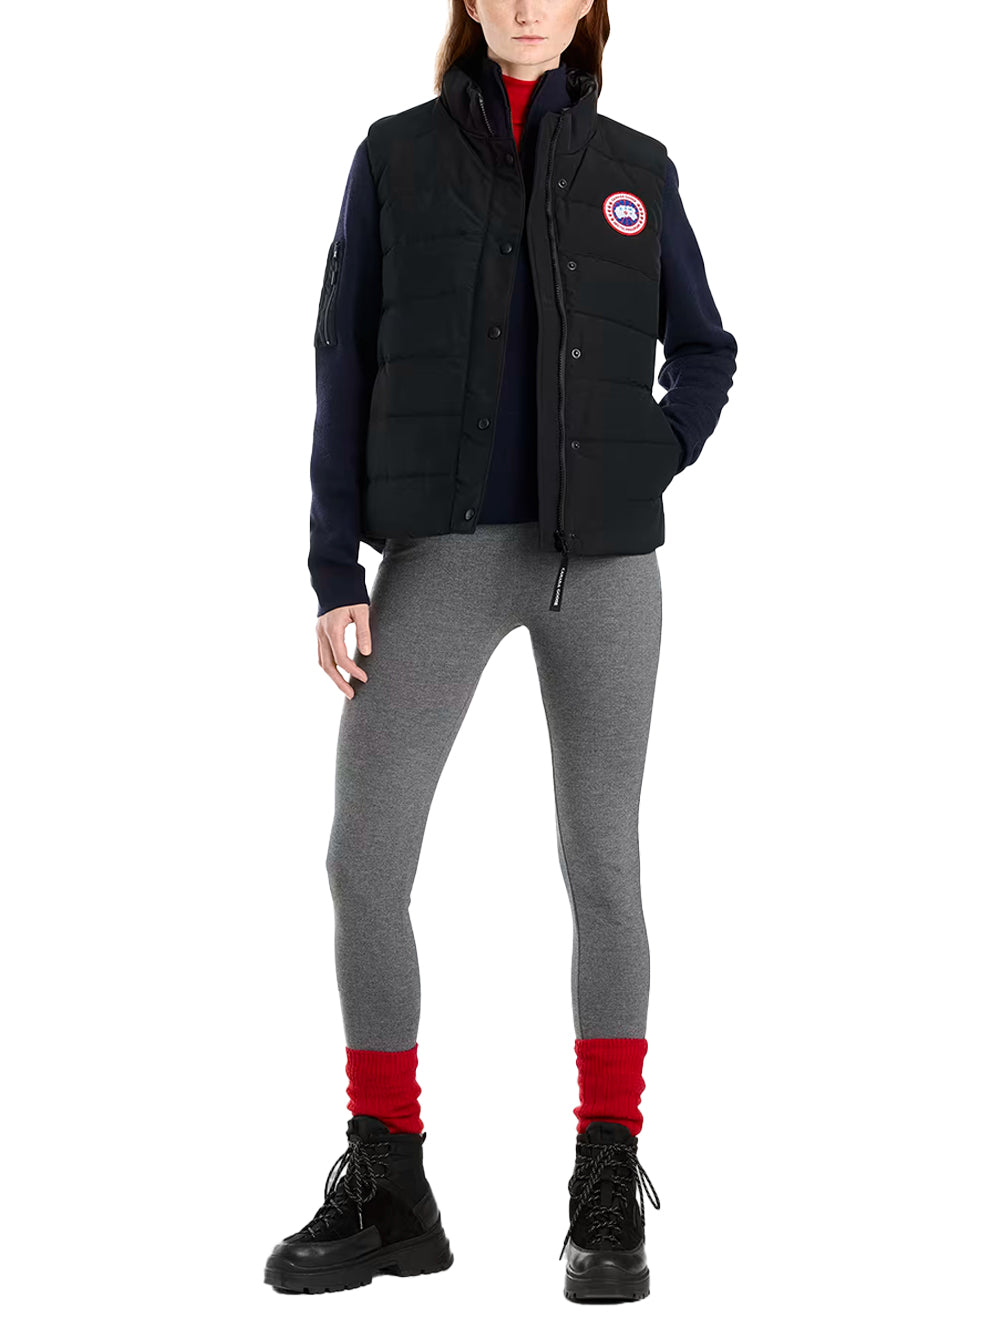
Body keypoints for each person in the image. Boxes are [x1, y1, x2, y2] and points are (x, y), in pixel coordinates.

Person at [264, 0, 737, 1303]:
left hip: (606, 566)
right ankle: (389, 1174)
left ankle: (606, 1173)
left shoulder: (636, 170)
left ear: (588, 7)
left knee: (604, 861)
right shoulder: (395, 156)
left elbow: (706, 349)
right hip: (444, 555)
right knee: (364, 859)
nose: (528, 4)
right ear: (471, 0)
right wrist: (333, 567)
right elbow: (343, 352)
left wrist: (647, 454)